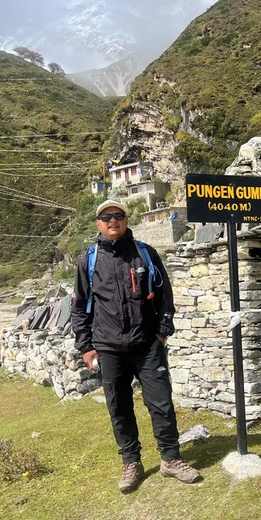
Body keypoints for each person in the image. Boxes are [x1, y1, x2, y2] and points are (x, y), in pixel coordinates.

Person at [70, 200, 201, 493]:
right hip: (108, 348)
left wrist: (162, 333)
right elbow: (79, 306)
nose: (113, 220)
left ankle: (171, 458)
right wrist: (86, 347)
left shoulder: (146, 253)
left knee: (161, 403)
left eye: (118, 215)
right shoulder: (88, 261)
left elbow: (165, 295)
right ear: (98, 224)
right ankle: (131, 463)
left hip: (147, 345)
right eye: (106, 217)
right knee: (119, 407)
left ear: (126, 220)